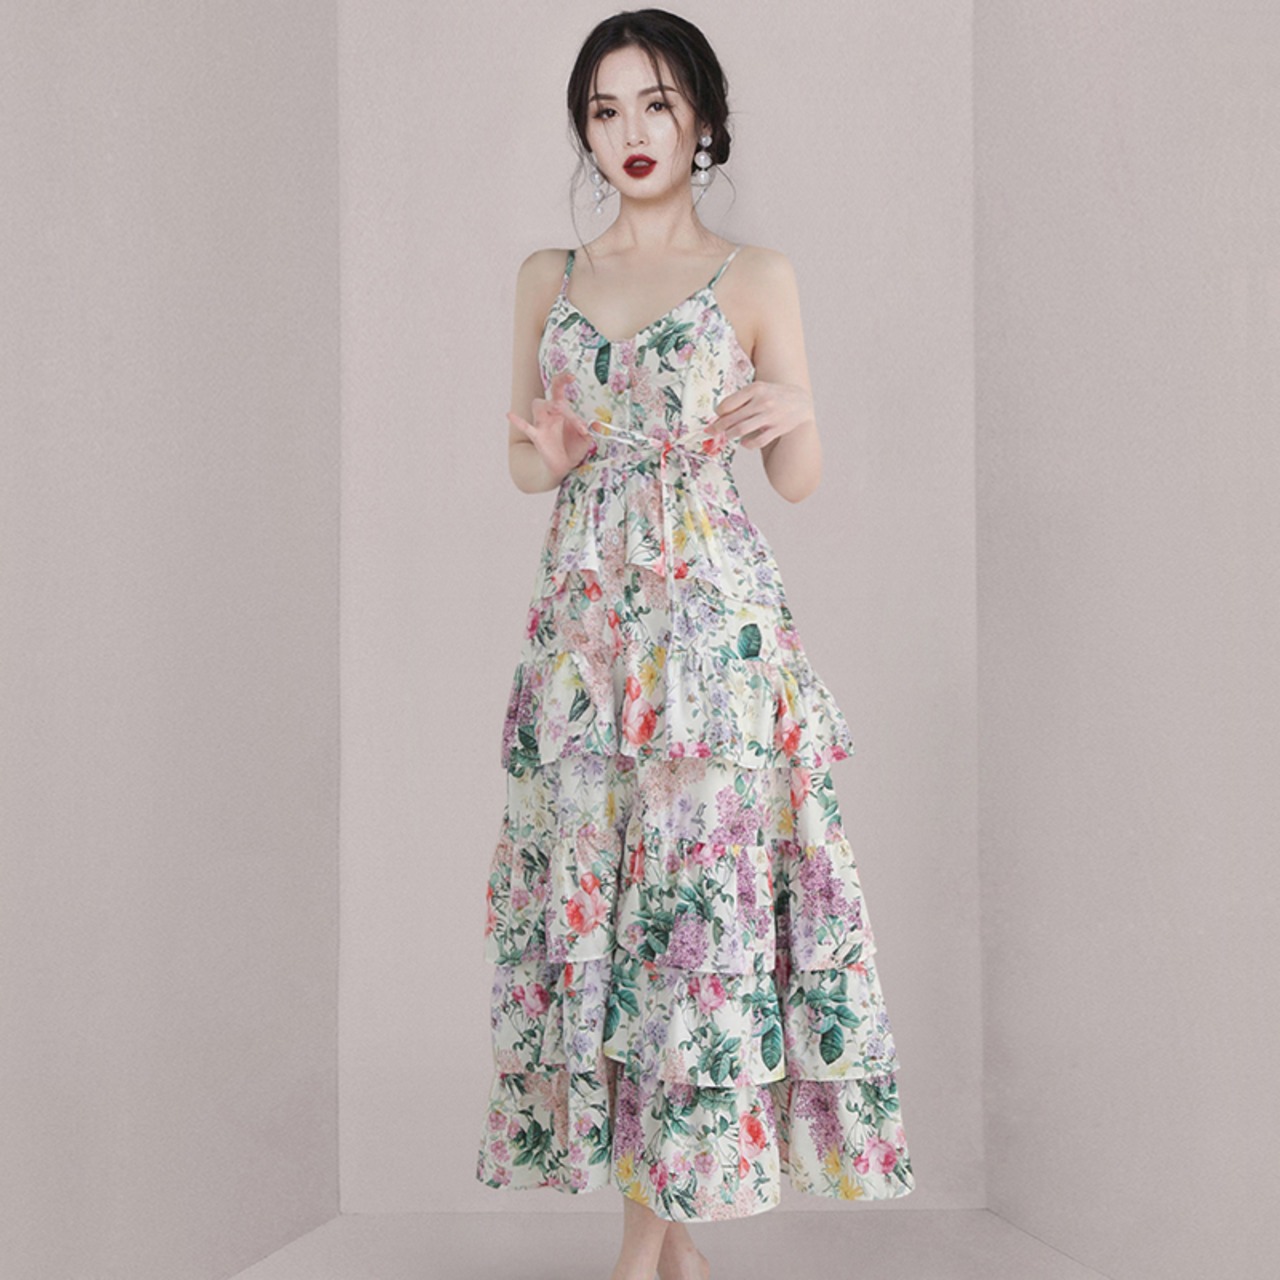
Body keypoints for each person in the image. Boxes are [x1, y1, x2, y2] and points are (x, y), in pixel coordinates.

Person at [475, 11, 915, 1279]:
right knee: (605, 909)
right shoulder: (548, 275)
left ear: (702, 121)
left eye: (655, 104)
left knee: (685, 920)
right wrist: (552, 451)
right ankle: (674, 1261)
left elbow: (798, 477)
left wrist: (797, 407)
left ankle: (636, 1261)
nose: (630, 131)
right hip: (584, 641)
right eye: (604, 109)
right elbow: (522, 458)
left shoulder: (755, 274)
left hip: (708, 637)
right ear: (584, 128)